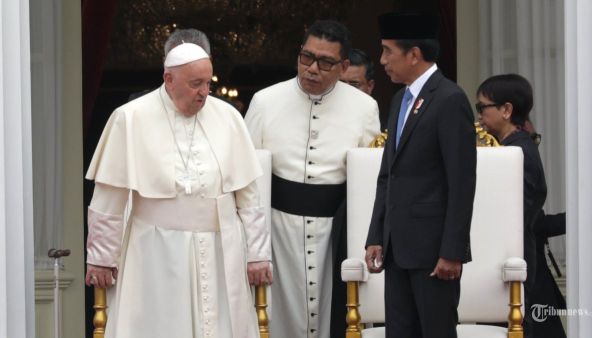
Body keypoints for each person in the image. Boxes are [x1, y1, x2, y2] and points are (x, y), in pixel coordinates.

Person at [85, 42, 272, 338]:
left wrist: (258, 254)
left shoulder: (229, 117)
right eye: (195, 84)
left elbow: (249, 195)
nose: (204, 92)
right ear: (168, 80)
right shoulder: (130, 118)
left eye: (207, 83)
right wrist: (101, 257)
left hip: (219, 249)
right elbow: (109, 195)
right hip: (156, 251)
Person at [244, 19, 380, 338]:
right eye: (307, 57)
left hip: (337, 233)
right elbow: (247, 175)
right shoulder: (265, 101)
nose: (312, 69)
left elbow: (370, 179)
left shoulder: (365, 108)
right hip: (277, 232)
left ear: (344, 66)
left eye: (326, 62)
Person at [365, 13, 476, 338]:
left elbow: (462, 182)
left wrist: (452, 251)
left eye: (388, 51)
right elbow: (388, 175)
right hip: (397, 248)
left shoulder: (450, 99)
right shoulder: (400, 99)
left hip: (434, 253)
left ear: (413, 53)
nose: (382, 60)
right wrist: (375, 234)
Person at [476, 74, 547, 338]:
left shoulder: (520, 151)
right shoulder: (504, 146)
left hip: (511, 255)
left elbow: (525, 207)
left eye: (482, 107)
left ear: (506, 110)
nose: (479, 115)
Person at [523, 119, 566, 338]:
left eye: (535, 139)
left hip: (539, 279)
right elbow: (537, 224)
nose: (533, 145)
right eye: (531, 138)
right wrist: (577, 219)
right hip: (526, 283)